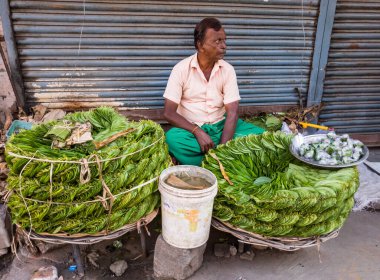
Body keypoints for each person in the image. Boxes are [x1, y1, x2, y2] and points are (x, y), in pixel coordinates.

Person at [163, 17, 264, 166]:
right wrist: (197, 131)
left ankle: (212, 160)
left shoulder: (227, 70)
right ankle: (228, 161)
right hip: (191, 130)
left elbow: (233, 112)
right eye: (217, 41)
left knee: (261, 137)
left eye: (224, 40)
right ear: (200, 45)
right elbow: (169, 113)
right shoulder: (181, 69)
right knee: (172, 139)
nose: (224, 46)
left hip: (221, 127)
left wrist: (223, 149)